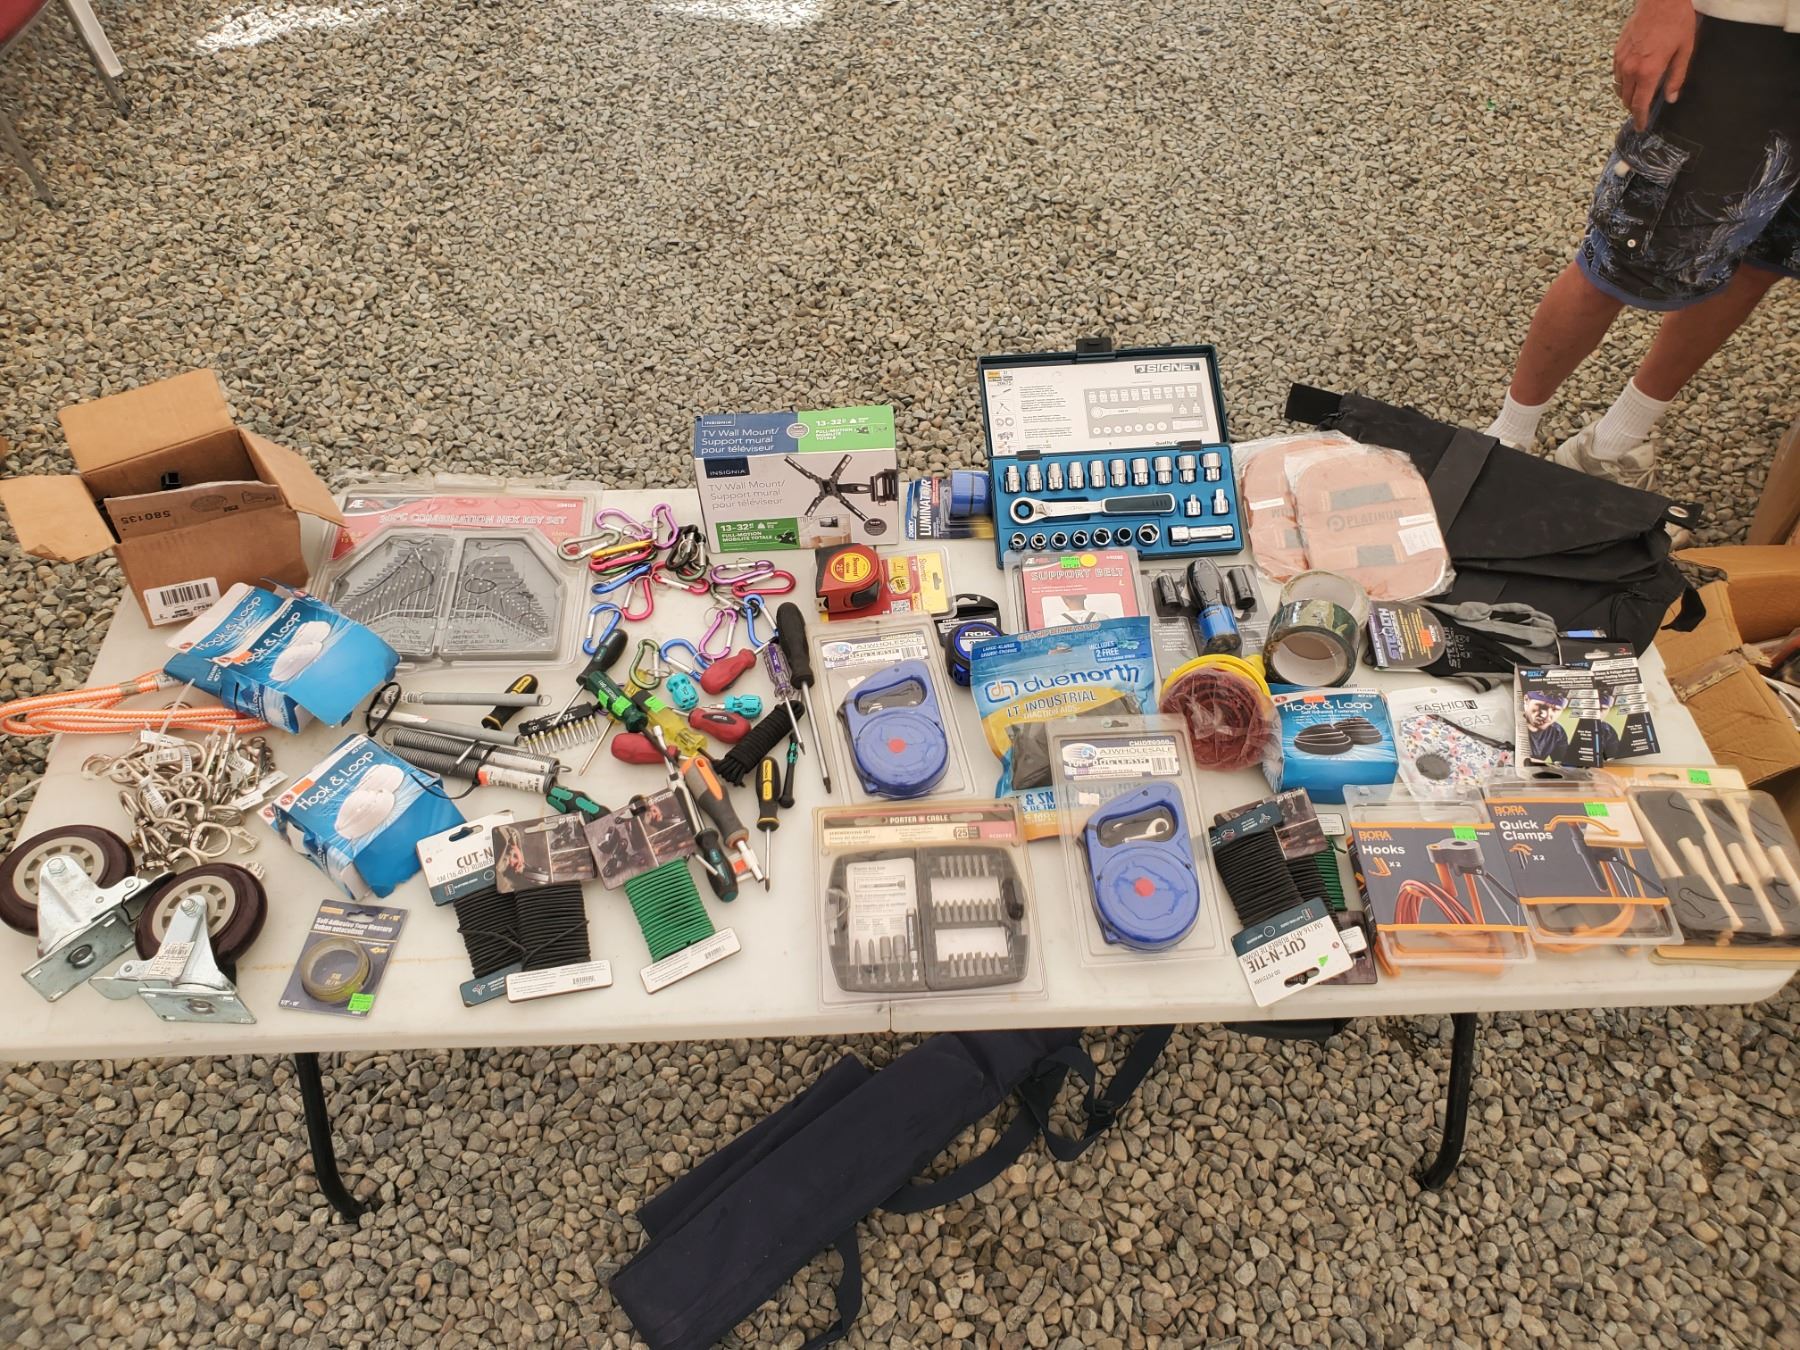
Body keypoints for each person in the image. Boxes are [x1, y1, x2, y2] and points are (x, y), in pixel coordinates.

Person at [1486, 0, 1800, 490]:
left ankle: (1611, 445)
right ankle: (1503, 440)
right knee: (1616, 261)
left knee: (1759, 255)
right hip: (1748, 29)